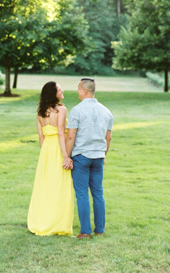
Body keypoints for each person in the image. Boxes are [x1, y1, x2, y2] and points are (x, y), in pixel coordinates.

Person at [66, 77, 114, 239]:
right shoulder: (107, 112)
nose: (77, 90)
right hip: (98, 157)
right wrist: (103, 155)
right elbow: (108, 138)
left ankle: (85, 231)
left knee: (82, 195)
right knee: (98, 194)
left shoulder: (76, 110)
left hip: (81, 157)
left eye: (78, 88)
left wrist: (66, 156)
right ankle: (99, 230)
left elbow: (71, 137)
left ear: (85, 91)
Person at [27, 81, 74, 236]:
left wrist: (45, 154)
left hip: (46, 150)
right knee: (59, 186)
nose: (62, 91)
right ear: (53, 94)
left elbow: (41, 137)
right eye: (59, 89)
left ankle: (43, 221)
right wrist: (65, 155)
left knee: (46, 185)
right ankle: (57, 224)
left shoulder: (40, 112)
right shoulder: (61, 109)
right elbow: (61, 133)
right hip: (58, 149)